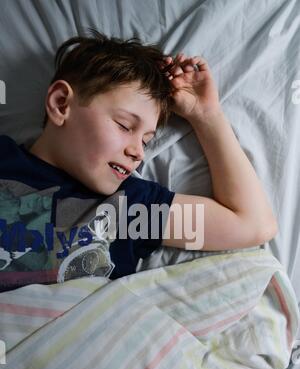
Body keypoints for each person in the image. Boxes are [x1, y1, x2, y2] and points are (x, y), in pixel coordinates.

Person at [0, 30, 277, 292]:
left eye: (146, 141)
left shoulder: (133, 209)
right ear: (61, 104)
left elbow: (252, 224)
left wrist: (206, 116)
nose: (138, 152)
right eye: (124, 125)